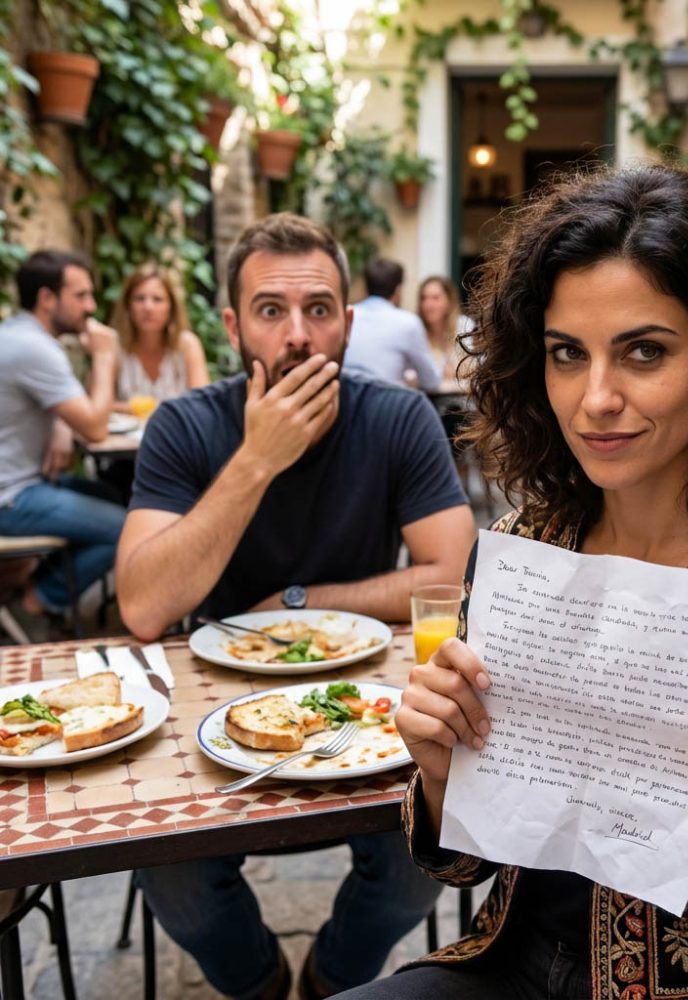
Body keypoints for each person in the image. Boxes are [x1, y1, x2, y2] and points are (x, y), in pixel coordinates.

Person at [336, 165, 688, 1000]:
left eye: (645, 351)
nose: (597, 398)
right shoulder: (521, 553)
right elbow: (465, 862)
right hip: (510, 964)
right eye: (568, 354)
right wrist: (441, 771)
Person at [115, 213, 476, 999]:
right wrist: (256, 460)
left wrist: (298, 600)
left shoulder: (397, 416)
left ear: (346, 322)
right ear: (232, 327)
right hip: (211, 710)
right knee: (173, 878)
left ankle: (331, 978)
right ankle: (258, 984)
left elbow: (452, 571)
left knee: (421, 861)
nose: (298, 334)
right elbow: (141, 607)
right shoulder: (185, 425)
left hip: (364, 707)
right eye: (270, 311)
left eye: (317, 310)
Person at [0, 250, 125, 620]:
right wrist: (104, 356)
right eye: (81, 295)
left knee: (113, 495)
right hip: (11, 497)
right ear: (47, 298)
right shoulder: (34, 348)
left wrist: (60, 425)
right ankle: (37, 603)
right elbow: (95, 428)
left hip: (24, 482)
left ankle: (33, 584)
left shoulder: (19, 335)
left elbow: (65, 408)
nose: (91, 306)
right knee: (127, 527)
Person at [110, 261, 210, 406]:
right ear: (128, 306)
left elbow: (202, 404)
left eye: (157, 299)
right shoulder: (114, 346)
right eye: (139, 299)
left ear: (171, 307)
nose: (148, 307)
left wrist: (143, 408)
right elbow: (101, 405)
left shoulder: (187, 345)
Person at [343, 258, 441, 390]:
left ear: (365, 288)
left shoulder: (346, 315)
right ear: (398, 290)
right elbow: (431, 381)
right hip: (386, 399)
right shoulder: (408, 322)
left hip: (344, 397)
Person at [417, 275, 473, 383]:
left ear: (449, 301)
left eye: (435, 298)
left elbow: (473, 367)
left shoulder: (464, 324)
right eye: (424, 298)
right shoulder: (417, 329)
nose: (428, 305)